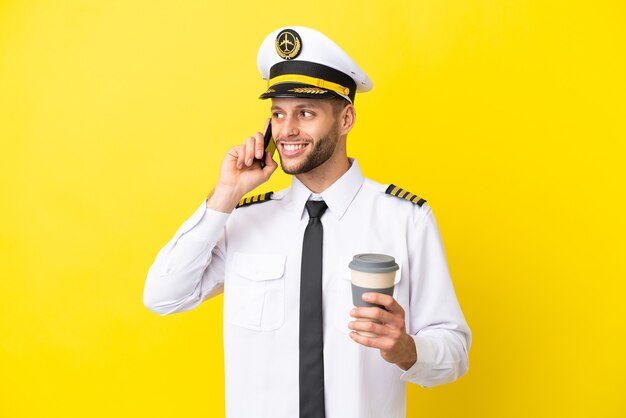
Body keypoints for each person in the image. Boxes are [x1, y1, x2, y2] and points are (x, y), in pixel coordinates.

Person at [144, 26, 471, 418]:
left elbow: (453, 352)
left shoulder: (405, 219)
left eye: (306, 113)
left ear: (346, 118)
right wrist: (225, 195)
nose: (287, 130)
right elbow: (163, 295)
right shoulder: (244, 219)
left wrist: (406, 349)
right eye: (278, 114)